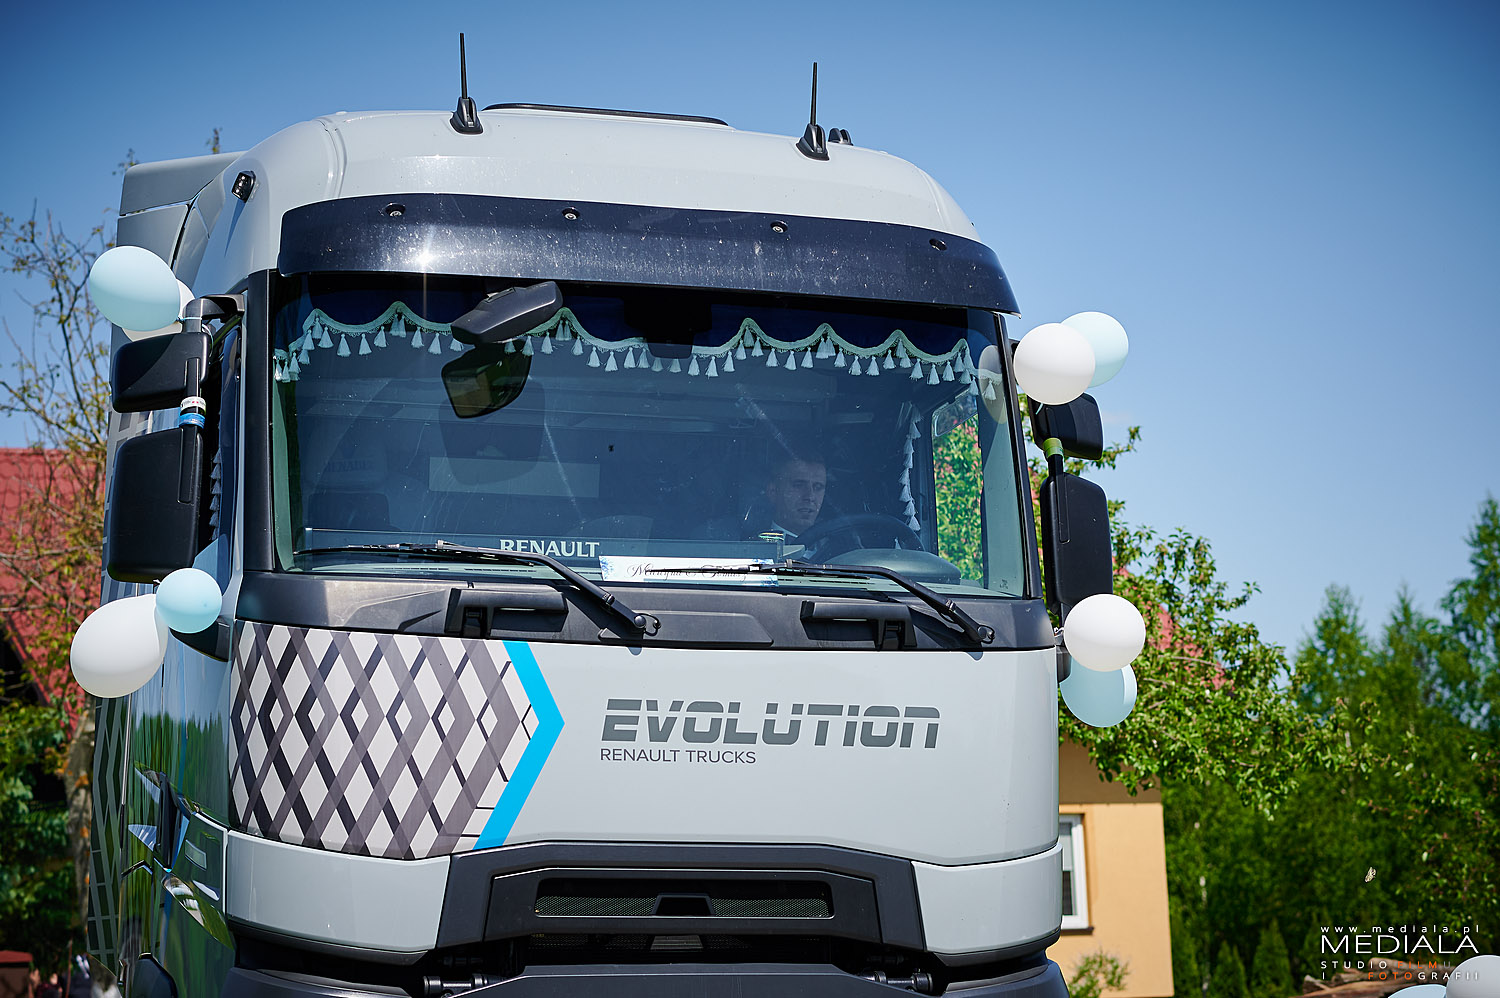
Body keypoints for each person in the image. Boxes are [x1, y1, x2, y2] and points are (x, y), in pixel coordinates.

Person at [758, 453, 827, 542]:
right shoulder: (752, 548)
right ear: (773, 491)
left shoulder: (838, 546)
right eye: (799, 485)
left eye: (818, 487)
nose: (810, 496)